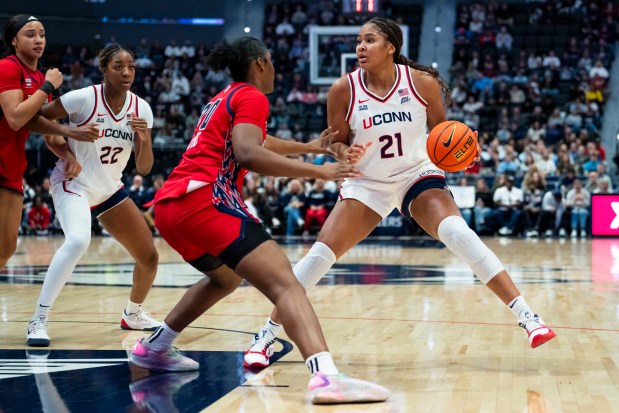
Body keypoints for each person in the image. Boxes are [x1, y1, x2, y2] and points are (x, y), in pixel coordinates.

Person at [244, 17, 556, 368]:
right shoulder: (342, 89)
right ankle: (266, 336)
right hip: (366, 182)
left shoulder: (422, 83)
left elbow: (443, 133)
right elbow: (336, 143)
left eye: (370, 40)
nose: (360, 47)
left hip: (414, 175)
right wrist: (345, 153)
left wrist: (466, 149)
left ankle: (529, 317)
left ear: (391, 46)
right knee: (319, 256)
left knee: (458, 232)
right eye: (359, 41)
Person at [127, 37, 390, 405]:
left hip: (172, 206)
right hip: (206, 199)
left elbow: (258, 140)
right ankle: (326, 377)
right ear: (261, 63)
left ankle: (155, 347)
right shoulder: (252, 96)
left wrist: (310, 146)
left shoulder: (223, 97)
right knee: (287, 283)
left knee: (225, 278)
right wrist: (320, 171)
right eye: (273, 63)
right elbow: (248, 152)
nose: (276, 69)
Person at [26, 44, 161, 347]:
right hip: (73, 182)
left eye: (131, 67)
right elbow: (37, 122)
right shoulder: (84, 98)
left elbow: (145, 166)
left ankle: (133, 313)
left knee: (148, 257)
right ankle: (38, 320)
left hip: (109, 189)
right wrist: (68, 144)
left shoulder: (142, 109)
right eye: (118, 66)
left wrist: (145, 138)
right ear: (104, 70)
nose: (126, 72)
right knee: (77, 240)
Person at [0, 14, 98, 271]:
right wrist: (46, 87)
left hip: (11, 166)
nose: (38, 40)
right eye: (30, 34)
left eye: (41, 34)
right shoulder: (8, 67)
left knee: (6, 247)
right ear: (13, 40)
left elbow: (51, 136)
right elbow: (15, 117)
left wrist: (68, 155)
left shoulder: (43, 79)